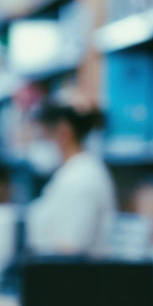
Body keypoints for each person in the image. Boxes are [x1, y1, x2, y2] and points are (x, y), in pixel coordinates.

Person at [26, 92, 115, 257]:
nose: (40, 143)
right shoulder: (72, 172)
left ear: (64, 132)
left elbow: (70, 251)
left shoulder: (79, 179)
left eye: (43, 136)